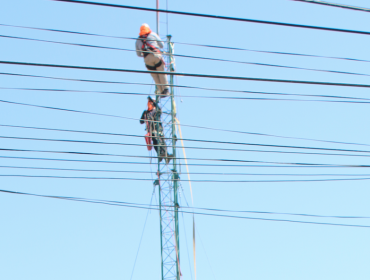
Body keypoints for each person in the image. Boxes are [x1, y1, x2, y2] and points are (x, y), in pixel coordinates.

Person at [136, 23, 170, 98]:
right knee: (161, 72)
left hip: (147, 60)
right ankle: (166, 90)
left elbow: (138, 54)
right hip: (156, 56)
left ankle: (161, 92)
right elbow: (161, 45)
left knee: (155, 76)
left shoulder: (138, 40)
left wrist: (145, 54)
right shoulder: (153, 34)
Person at [140, 97, 172, 163]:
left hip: (158, 128)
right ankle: (160, 155)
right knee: (155, 141)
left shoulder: (156, 110)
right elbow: (141, 121)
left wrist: (153, 102)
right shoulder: (147, 113)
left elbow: (159, 110)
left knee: (161, 141)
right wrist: (144, 113)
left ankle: (166, 156)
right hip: (151, 130)